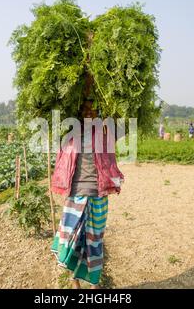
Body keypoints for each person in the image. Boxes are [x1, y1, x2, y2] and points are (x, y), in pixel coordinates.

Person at [50, 100, 124, 289]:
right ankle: (74, 281)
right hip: (75, 194)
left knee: (95, 240)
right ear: (79, 113)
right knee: (71, 239)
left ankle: (94, 282)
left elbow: (124, 124)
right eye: (85, 109)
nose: (89, 112)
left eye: (93, 109)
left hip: (98, 194)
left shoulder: (106, 133)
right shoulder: (70, 136)